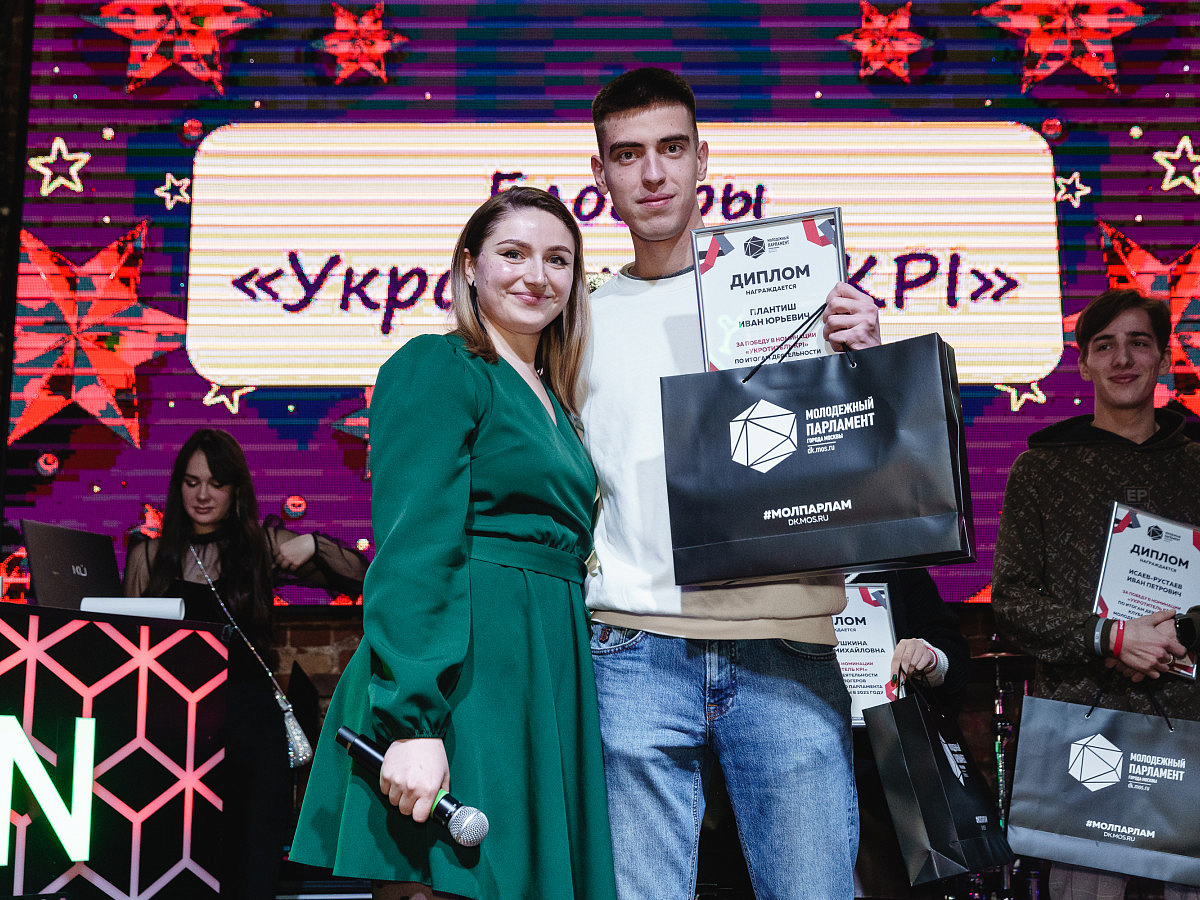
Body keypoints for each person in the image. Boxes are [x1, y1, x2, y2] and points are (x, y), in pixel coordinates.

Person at [581, 67, 882, 900]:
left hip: (786, 639)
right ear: (601, 173)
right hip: (633, 645)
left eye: (671, 148)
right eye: (628, 155)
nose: (653, 174)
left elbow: (862, 461)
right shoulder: (575, 317)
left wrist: (866, 363)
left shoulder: (800, 289)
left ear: (703, 159)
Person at [290, 186, 617, 900]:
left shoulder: (556, 397)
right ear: (470, 265)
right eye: (514, 253)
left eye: (558, 259)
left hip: (542, 669)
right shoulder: (440, 366)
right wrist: (413, 721)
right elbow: (414, 550)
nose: (537, 275)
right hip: (461, 678)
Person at [992, 288, 1200, 900]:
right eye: (1104, 346)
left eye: (1139, 343)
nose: (1122, 359)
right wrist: (1111, 636)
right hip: (1081, 729)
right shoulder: (1040, 469)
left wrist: (1177, 636)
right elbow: (1011, 602)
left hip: (1189, 725)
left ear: (1164, 357)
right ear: (1083, 364)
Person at [123, 427, 369, 900]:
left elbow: (362, 577)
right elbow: (124, 649)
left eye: (216, 483)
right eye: (192, 482)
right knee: (172, 871)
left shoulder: (259, 546)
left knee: (252, 871)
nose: (202, 495)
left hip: (251, 729)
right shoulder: (150, 557)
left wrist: (312, 544)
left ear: (236, 489)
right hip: (172, 732)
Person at [848, 569, 971, 899]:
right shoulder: (779, 569)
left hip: (890, 777)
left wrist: (930, 658)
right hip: (796, 764)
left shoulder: (896, 567)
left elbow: (953, 653)